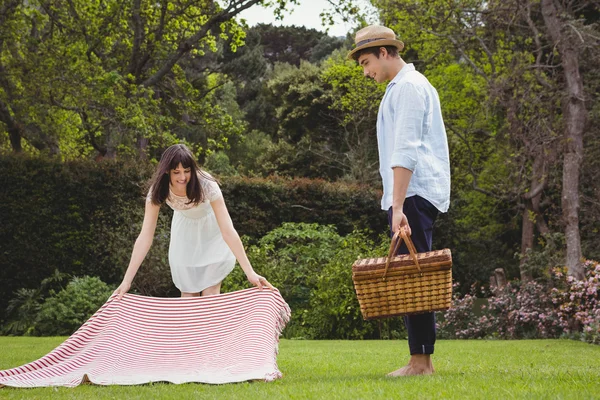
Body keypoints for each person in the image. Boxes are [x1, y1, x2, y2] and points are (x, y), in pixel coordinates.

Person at [348, 25, 451, 376]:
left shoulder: (408, 87)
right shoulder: (403, 87)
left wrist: (398, 206)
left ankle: (420, 363)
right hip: (414, 194)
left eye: (366, 62)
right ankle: (419, 359)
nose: (365, 71)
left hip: (414, 195)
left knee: (414, 279)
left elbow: (405, 151)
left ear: (386, 52)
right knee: (413, 276)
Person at [115, 144, 273, 299]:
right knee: (188, 296)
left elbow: (228, 230)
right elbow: (145, 237)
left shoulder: (207, 184)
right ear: (166, 172)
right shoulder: (158, 191)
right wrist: (127, 281)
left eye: (187, 171)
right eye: (176, 172)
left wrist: (250, 272)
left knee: (209, 295)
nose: (182, 177)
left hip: (212, 234)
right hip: (184, 236)